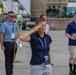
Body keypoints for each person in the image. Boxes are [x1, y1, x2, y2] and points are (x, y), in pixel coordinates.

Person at [0, 11, 20, 75]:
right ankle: (8, 73)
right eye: (11, 16)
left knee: (12, 59)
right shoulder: (4, 24)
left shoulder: (15, 24)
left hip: (14, 43)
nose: (13, 17)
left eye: (14, 16)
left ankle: (11, 71)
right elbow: (1, 35)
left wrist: (16, 36)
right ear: (8, 17)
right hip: (7, 43)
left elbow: (18, 33)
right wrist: (2, 45)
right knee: (8, 59)